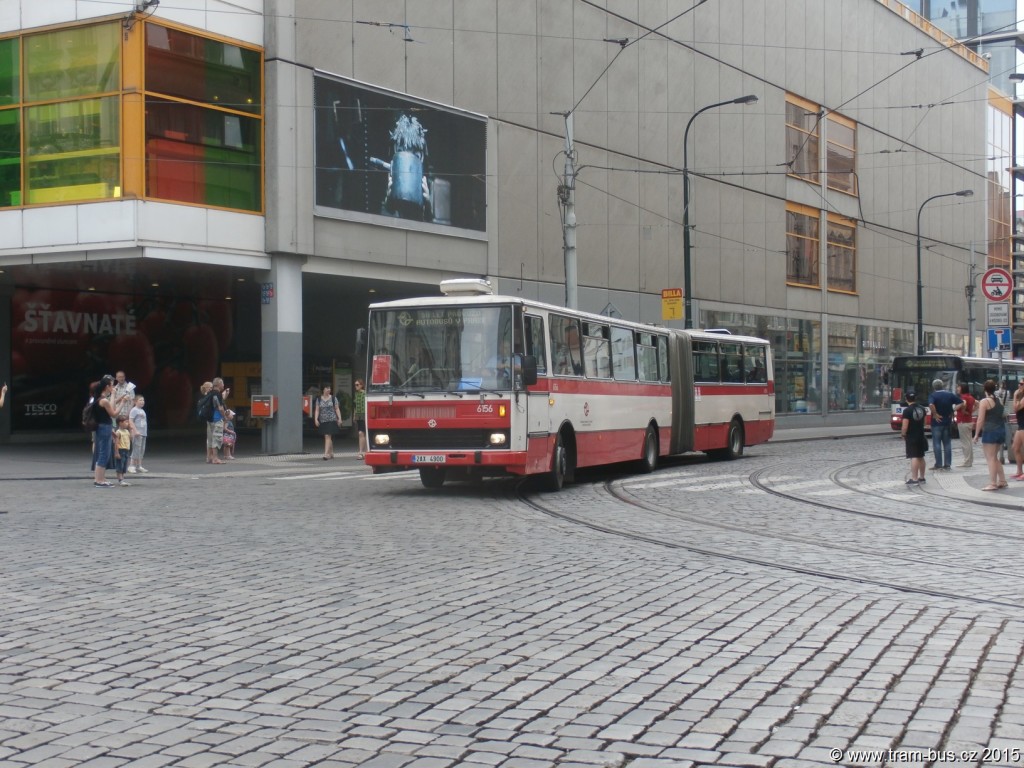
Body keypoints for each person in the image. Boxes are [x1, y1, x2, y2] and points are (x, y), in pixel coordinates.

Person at [974, 379, 1008, 491]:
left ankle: (993, 483)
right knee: (995, 457)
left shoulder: (984, 401)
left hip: (990, 431)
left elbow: (980, 419)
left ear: (984, 389)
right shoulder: (999, 400)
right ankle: (1002, 480)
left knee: (990, 458)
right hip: (1000, 429)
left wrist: (976, 434)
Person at [90, 376, 118, 488]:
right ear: (107, 386)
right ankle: (99, 480)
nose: (113, 387)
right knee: (104, 454)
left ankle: (100, 479)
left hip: (103, 427)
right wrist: (121, 402)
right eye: (112, 385)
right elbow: (114, 414)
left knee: (103, 453)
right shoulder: (103, 400)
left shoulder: (99, 399)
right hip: (104, 427)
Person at [927, 378, 961, 470]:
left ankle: (938, 464)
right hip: (947, 421)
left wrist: (935, 414)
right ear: (942, 385)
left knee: (937, 443)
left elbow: (931, 405)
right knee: (947, 443)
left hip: (936, 423)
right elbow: (961, 402)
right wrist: (952, 410)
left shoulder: (933, 395)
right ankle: (947, 464)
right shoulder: (949, 394)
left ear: (934, 387)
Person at [901, 390, 928, 485]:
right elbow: (925, 423)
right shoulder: (922, 408)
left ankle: (914, 478)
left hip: (912, 436)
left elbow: (905, 426)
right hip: (921, 435)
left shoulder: (907, 411)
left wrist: (903, 434)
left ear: (906, 399)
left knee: (914, 456)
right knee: (921, 456)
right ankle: (922, 477)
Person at [313, 385, 341, 459]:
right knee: (328, 437)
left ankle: (326, 454)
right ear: (323, 390)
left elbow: (337, 408)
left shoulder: (333, 398)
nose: (329, 389)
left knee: (327, 436)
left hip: (332, 420)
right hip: (323, 420)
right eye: (327, 388)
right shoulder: (319, 399)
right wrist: (316, 419)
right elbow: (317, 410)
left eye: (329, 388)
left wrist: (339, 418)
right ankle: (331, 453)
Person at [206, 378, 229, 465]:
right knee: (217, 438)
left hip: (209, 420)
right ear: (218, 384)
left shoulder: (209, 393)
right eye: (222, 383)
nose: (223, 385)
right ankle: (215, 458)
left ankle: (209, 457)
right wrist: (224, 417)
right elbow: (220, 407)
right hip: (216, 419)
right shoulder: (217, 394)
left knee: (210, 439)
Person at [954, 383, 975, 469]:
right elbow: (977, 403)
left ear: (962, 388)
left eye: (958, 387)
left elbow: (963, 403)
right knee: (969, 442)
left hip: (962, 421)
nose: (957, 388)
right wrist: (970, 412)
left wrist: (958, 408)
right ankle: (969, 460)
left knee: (965, 442)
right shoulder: (971, 397)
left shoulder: (963, 398)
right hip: (969, 421)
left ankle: (967, 461)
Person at [128, 394, 149, 474]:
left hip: (143, 433)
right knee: (136, 449)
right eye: (140, 400)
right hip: (137, 433)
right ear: (135, 401)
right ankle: (131, 466)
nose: (142, 402)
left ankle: (139, 465)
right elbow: (131, 421)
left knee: (141, 450)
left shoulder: (142, 410)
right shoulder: (134, 410)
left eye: (143, 400)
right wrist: (135, 431)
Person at [113, 415, 133, 487]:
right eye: (126, 422)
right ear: (120, 423)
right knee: (120, 465)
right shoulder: (118, 432)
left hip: (126, 450)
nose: (127, 423)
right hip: (121, 450)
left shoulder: (127, 431)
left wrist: (131, 430)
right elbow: (116, 443)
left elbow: (131, 438)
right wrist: (116, 452)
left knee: (124, 465)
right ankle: (120, 480)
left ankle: (123, 479)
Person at [1012, 381, 1024, 480]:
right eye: (1019, 383)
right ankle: (1019, 470)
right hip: (1020, 424)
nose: (1019, 385)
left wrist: (1015, 396)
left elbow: (1016, 408)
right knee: (1015, 448)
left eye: (1021, 384)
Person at [353, 379, 367, 459]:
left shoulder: (365, 393)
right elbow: (355, 405)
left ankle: (362, 452)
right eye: (355, 385)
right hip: (359, 415)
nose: (356, 386)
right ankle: (363, 451)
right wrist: (354, 415)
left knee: (362, 433)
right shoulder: (356, 394)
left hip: (364, 415)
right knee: (361, 433)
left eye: (357, 385)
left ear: (361, 385)